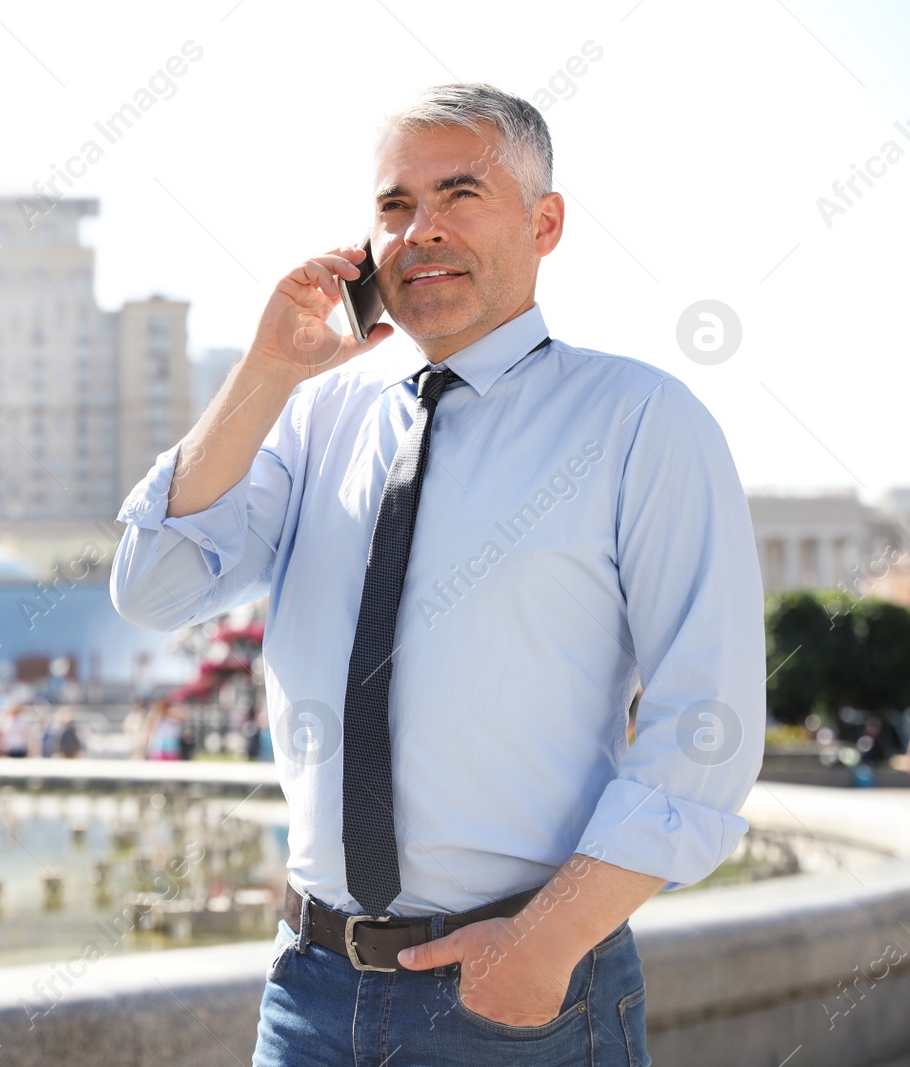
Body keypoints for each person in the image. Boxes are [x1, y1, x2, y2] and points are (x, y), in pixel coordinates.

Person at [110, 84, 764, 1065]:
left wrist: (536, 948)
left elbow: (704, 726)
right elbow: (153, 588)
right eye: (392, 206)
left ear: (544, 224)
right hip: (309, 990)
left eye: (459, 194)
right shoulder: (309, 416)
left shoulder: (640, 421)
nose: (420, 230)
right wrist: (267, 372)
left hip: (523, 998)